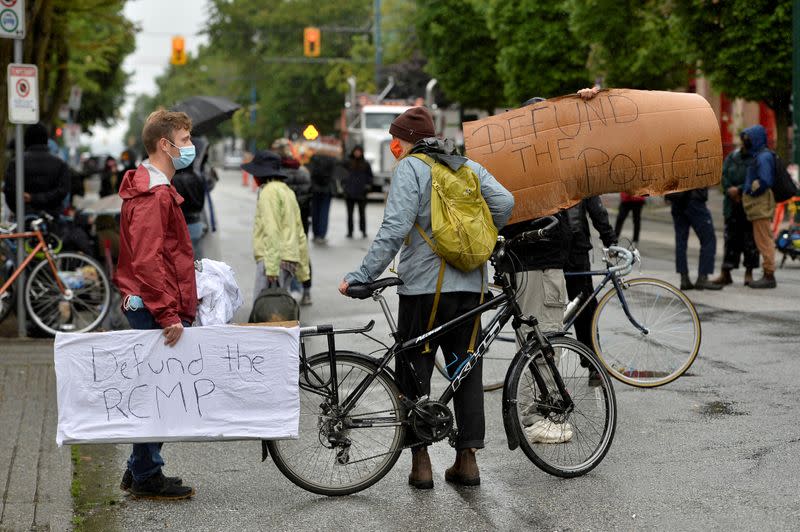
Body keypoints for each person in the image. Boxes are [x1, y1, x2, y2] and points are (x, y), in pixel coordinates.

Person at [338, 107, 514, 489]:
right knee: (465, 367)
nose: (392, 145)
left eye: (394, 139)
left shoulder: (411, 169)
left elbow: (395, 226)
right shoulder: (466, 165)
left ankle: (421, 465)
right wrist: (480, 240)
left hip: (423, 289)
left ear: (404, 140)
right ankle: (467, 462)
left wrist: (362, 275)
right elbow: (504, 203)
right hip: (470, 286)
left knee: (413, 371)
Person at [113, 109, 197, 500]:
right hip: (150, 304)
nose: (190, 148)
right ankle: (147, 474)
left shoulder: (150, 187)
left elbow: (158, 253)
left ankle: (138, 468)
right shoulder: (153, 194)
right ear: (164, 145)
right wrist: (167, 312)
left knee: (154, 385)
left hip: (146, 300)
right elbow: (148, 261)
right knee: (158, 390)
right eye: (184, 141)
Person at [246, 150, 310, 301]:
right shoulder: (287, 191)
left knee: (263, 309)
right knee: (278, 310)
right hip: (289, 259)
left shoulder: (268, 192)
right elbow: (300, 232)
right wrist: (303, 270)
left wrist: (272, 268)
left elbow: (272, 230)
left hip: (274, 260)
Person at [564, 197, 620, 352]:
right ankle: (591, 358)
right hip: (574, 245)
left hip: (545, 244)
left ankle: (536, 361)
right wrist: (610, 241)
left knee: (540, 305)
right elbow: (596, 209)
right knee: (583, 305)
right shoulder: (577, 174)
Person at [711, 136, 759, 286]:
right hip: (731, 205)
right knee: (730, 240)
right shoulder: (732, 157)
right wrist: (729, 189)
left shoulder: (755, 159)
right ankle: (726, 273)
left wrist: (739, 190)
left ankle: (749, 273)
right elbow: (723, 174)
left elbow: (754, 180)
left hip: (747, 205)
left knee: (750, 241)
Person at [272, 138, 313, 304]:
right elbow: (309, 196)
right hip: (302, 218)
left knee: (286, 254)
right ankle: (306, 290)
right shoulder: (303, 171)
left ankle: (288, 289)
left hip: (284, 220)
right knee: (303, 253)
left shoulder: (277, 175)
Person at [3, 123, 71, 222]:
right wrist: (39, 199)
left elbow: (10, 192)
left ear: (26, 140)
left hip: (25, 219)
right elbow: (63, 191)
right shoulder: (60, 164)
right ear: (46, 140)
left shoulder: (16, 163)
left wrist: (27, 201)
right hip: (52, 221)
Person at [740, 125, 778, 289]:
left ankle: (769, 274)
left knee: (764, 240)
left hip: (760, 204)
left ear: (755, 139)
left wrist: (752, 192)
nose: (745, 143)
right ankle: (767, 273)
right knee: (762, 238)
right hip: (759, 204)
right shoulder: (760, 155)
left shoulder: (763, 157)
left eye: (747, 139)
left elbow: (765, 180)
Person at [666, 188, 723, 291]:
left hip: (677, 200)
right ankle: (702, 277)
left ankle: (684, 278)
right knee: (708, 239)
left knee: (681, 241)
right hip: (694, 199)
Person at [171, 161, 206, 259]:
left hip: (183, 226)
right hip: (197, 223)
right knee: (198, 263)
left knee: (185, 263)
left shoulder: (174, 180)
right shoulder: (198, 177)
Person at [308, 150, 337, 243]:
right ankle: (322, 234)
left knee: (315, 212)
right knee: (324, 212)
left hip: (315, 189)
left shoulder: (314, 158)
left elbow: (311, 173)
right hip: (327, 189)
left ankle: (315, 233)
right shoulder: (332, 159)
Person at [343, 145, 372, 239]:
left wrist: (367, 187)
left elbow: (370, 177)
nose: (357, 153)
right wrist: (344, 186)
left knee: (362, 213)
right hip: (349, 192)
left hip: (361, 193)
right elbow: (342, 174)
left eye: (359, 151)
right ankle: (350, 231)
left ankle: (363, 231)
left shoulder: (365, 164)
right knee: (350, 214)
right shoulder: (348, 163)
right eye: (356, 151)